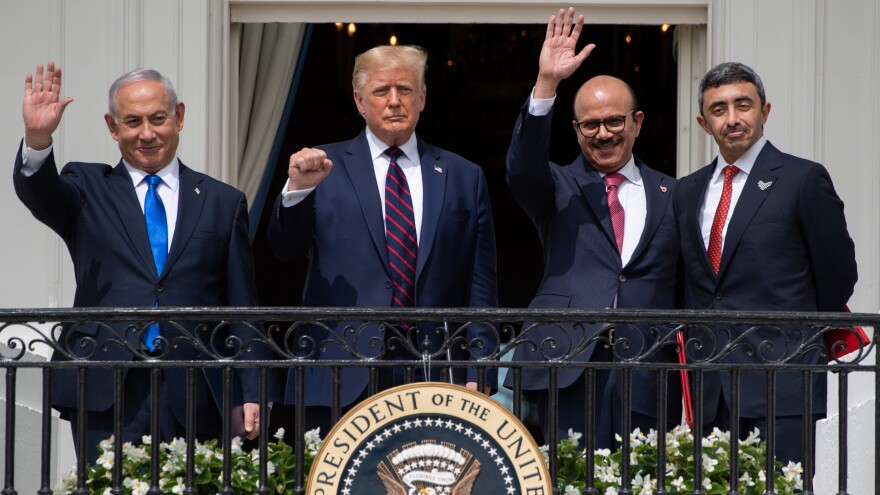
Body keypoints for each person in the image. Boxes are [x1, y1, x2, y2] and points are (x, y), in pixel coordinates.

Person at [14, 62, 277, 461]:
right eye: (132, 122)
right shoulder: (87, 188)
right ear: (112, 127)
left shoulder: (223, 202)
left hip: (196, 387)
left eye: (158, 118)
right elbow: (39, 192)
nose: (147, 134)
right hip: (106, 383)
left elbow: (241, 306)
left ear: (179, 117)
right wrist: (37, 138)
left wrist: (253, 389)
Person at [267, 45, 498, 433]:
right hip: (340, 371)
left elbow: (480, 283)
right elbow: (283, 250)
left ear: (422, 98)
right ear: (359, 101)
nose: (394, 101)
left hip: (435, 371)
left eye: (405, 90)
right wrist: (296, 192)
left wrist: (480, 366)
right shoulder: (322, 167)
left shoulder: (463, 175)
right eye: (381, 91)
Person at [504, 8, 681, 449]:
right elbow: (521, 168)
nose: (603, 134)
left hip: (646, 367)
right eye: (590, 125)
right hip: (564, 364)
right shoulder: (556, 185)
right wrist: (546, 85)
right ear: (576, 129)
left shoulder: (677, 193)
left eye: (614, 121)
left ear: (637, 123)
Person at [673, 61, 857, 463]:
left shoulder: (803, 179)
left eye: (744, 105)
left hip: (782, 382)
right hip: (710, 391)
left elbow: (838, 276)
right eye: (719, 110)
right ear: (704, 123)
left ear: (765, 112)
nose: (733, 119)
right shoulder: (686, 191)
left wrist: (794, 339)